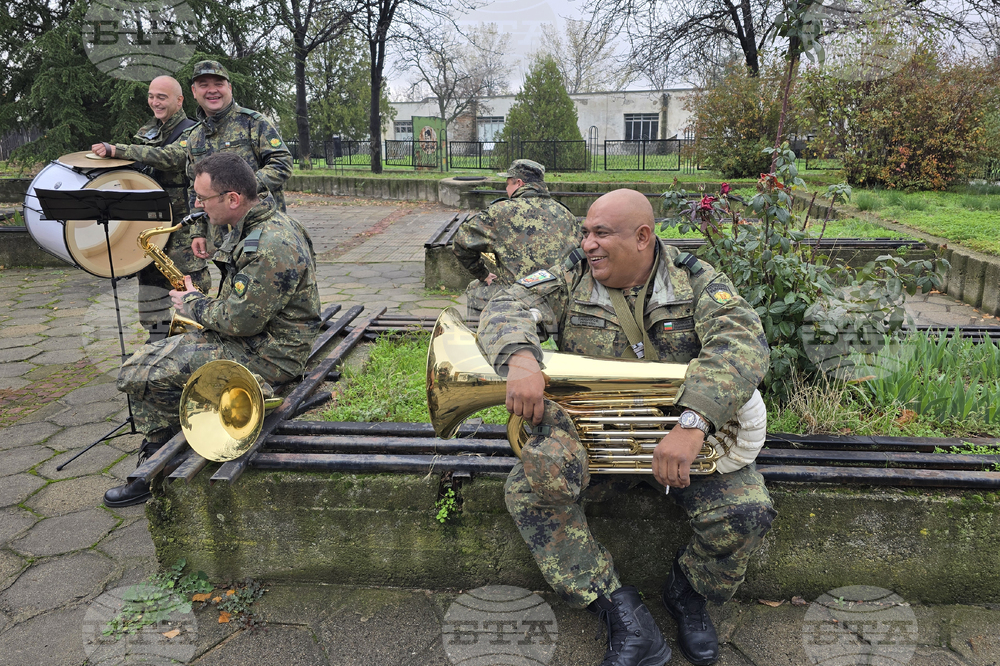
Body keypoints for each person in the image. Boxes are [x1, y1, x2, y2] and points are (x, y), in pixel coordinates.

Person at [477, 188, 775, 666]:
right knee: (530, 491)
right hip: (594, 441)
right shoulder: (571, 273)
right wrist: (520, 357)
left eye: (601, 233)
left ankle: (688, 592)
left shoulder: (696, 280)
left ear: (642, 237)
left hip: (682, 442)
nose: (587, 243)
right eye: (585, 232)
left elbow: (742, 342)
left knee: (747, 511)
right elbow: (506, 304)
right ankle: (621, 611)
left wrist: (693, 423)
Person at [103, 153, 321, 508]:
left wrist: (191, 302)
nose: (197, 205)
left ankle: (160, 463)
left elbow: (239, 321)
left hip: (270, 356)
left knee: (137, 371)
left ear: (232, 198)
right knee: (152, 356)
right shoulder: (266, 224)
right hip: (260, 340)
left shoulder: (270, 244)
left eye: (203, 198)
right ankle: (162, 452)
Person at [94, 60, 293, 259]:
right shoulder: (195, 136)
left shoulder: (253, 123)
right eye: (204, 85)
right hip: (223, 238)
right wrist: (197, 231)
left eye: (218, 84)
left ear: (229, 88)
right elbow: (194, 188)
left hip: (263, 228)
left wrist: (243, 188)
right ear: (194, 92)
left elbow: (282, 163)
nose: (212, 90)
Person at [93, 76, 209, 342]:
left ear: (179, 100)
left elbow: (172, 157)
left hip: (182, 224)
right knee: (149, 282)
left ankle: (195, 341)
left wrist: (119, 150)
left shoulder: (193, 130)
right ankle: (157, 340)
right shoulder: (148, 130)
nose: (155, 102)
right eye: (151, 96)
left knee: (188, 281)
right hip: (149, 222)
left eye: (162, 97)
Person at [452, 159, 579, 319]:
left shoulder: (500, 212)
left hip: (516, 300)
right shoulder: (566, 214)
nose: (506, 189)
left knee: (476, 289)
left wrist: (482, 273)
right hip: (559, 300)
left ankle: (484, 333)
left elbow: (461, 243)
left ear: (519, 183)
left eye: (508, 184)